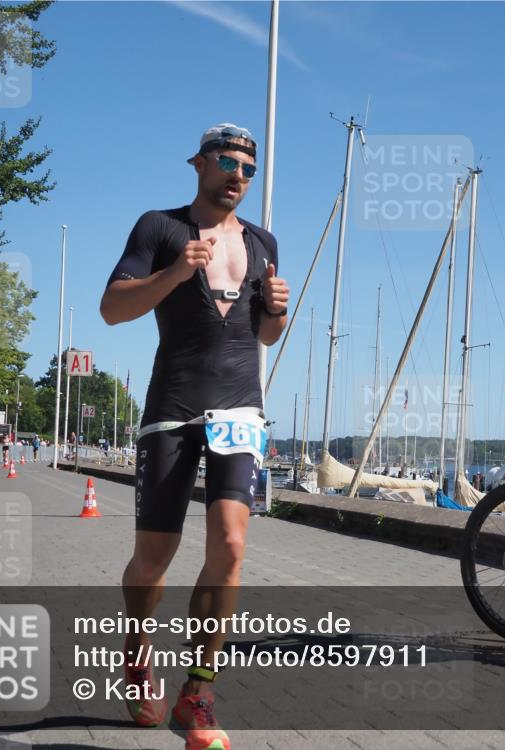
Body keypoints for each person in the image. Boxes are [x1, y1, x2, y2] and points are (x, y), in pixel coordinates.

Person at [100, 123, 289, 748]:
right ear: (200, 163)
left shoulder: (263, 242)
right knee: (154, 556)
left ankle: (198, 692)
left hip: (240, 407)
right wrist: (176, 273)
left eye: (248, 169)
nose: (239, 176)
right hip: (173, 406)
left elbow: (264, 335)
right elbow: (113, 308)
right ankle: (137, 653)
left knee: (230, 545)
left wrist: (278, 311)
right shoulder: (160, 228)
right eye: (228, 162)